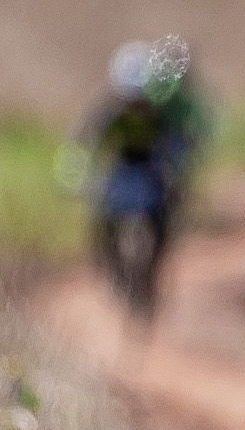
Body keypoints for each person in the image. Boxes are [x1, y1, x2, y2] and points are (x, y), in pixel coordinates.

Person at [81, 36, 207, 280]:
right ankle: (112, 270)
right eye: (130, 100)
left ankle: (152, 271)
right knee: (103, 216)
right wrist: (80, 170)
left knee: (166, 211)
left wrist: (179, 161)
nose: (136, 105)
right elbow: (87, 140)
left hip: (152, 169)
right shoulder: (109, 112)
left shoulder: (163, 112)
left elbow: (180, 140)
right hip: (121, 169)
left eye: (140, 99)